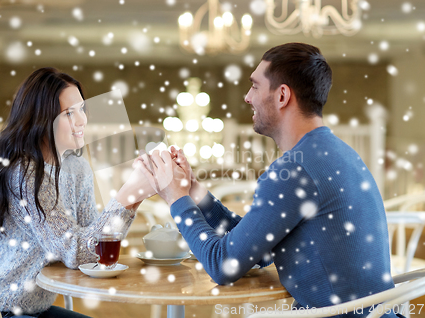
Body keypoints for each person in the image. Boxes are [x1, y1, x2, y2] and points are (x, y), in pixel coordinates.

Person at [137, 43, 404, 318]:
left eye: (254, 86)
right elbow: (256, 248)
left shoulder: (294, 169)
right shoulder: (339, 153)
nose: (247, 97)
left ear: (282, 96)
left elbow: (223, 266)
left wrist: (175, 199)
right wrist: (193, 190)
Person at [0, 67, 154, 318]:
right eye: (69, 113)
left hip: (33, 309)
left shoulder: (78, 168)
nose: (82, 120)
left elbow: (90, 248)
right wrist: (128, 195)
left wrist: (133, 199)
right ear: (41, 119)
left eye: (82, 109)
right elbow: (75, 251)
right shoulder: (24, 173)